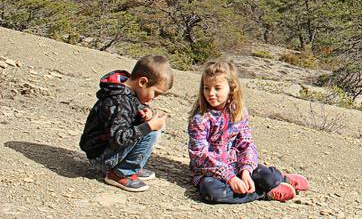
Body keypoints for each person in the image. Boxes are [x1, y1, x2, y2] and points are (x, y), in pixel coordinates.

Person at [188, 59, 308, 204]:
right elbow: (199, 154)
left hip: (236, 164)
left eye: (217, 88)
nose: (211, 93)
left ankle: (281, 179)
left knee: (269, 177)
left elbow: (246, 144)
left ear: (232, 88)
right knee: (212, 192)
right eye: (206, 88)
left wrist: (246, 170)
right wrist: (229, 177)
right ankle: (262, 193)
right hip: (209, 171)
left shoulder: (238, 112)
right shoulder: (200, 119)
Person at [79, 55, 173, 192]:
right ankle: (121, 172)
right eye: (156, 93)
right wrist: (149, 126)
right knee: (151, 131)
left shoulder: (130, 93)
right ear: (142, 82)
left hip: (106, 150)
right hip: (101, 156)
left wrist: (146, 115)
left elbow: (132, 113)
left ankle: (131, 166)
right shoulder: (119, 101)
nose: (154, 98)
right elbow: (119, 138)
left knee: (154, 125)